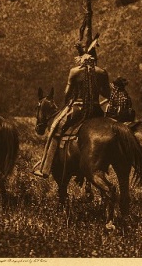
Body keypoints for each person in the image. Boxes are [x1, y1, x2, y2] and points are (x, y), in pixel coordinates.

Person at [33, 46, 110, 178]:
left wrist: (69, 102)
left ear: (81, 58)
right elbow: (107, 93)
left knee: (55, 128)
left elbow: (67, 93)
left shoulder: (74, 71)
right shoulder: (102, 72)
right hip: (96, 110)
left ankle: (45, 167)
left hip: (77, 109)